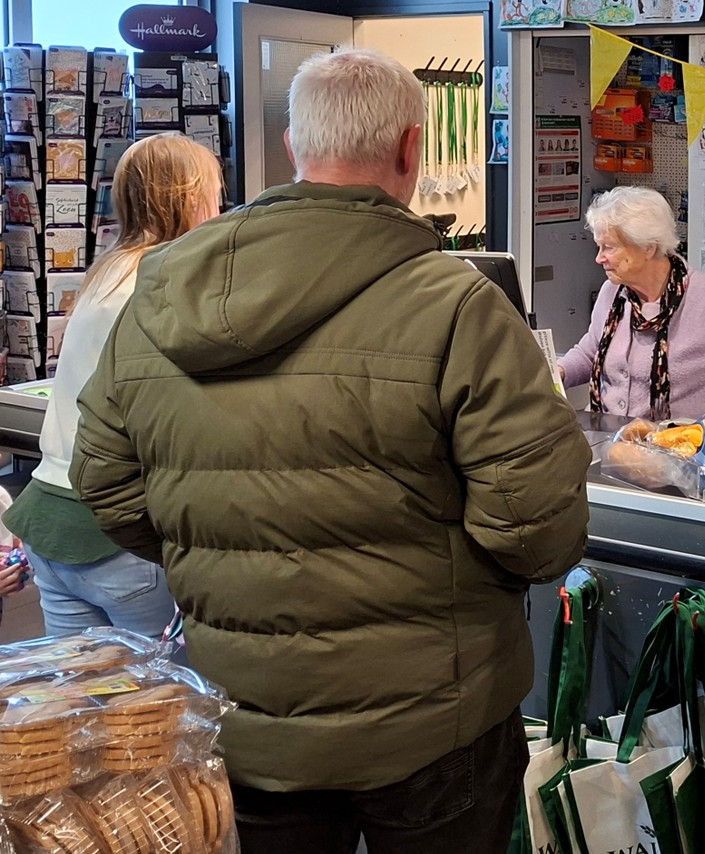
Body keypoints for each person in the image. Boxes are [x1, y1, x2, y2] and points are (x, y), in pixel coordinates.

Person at [72, 50, 592, 854]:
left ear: (292, 149)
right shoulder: (459, 306)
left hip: (247, 714)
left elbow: (102, 481)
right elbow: (537, 531)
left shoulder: (161, 296)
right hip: (435, 715)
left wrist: (220, 557)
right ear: (413, 150)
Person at [4, 134, 220, 643]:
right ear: (190, 197)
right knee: (168, 703)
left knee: (88, 701)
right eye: (215, 192)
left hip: (52, 522)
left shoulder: (106, 272)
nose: (221, 206)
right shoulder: (164, 280)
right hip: (114, 535)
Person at [558, 187, 705, 420]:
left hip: (677, 447)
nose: (599, 258)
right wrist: (556, 372)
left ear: (647, 247)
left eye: (609, 247)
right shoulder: (612, 292)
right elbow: (590, 352)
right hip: (607, 440)